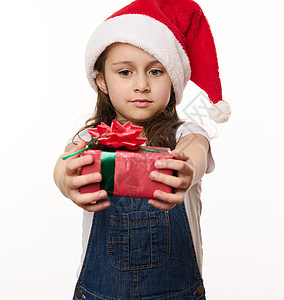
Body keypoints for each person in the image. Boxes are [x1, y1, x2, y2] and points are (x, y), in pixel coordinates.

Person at [53, 0, 230, 299]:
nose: (141, 85)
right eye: (125, 72)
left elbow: (196, 149)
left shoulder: (184, 136)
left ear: (173, 79)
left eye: (156, 71)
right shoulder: (92, 139)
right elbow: (65, 161)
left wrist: (186, 168)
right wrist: (65, 179)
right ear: (102, 81)